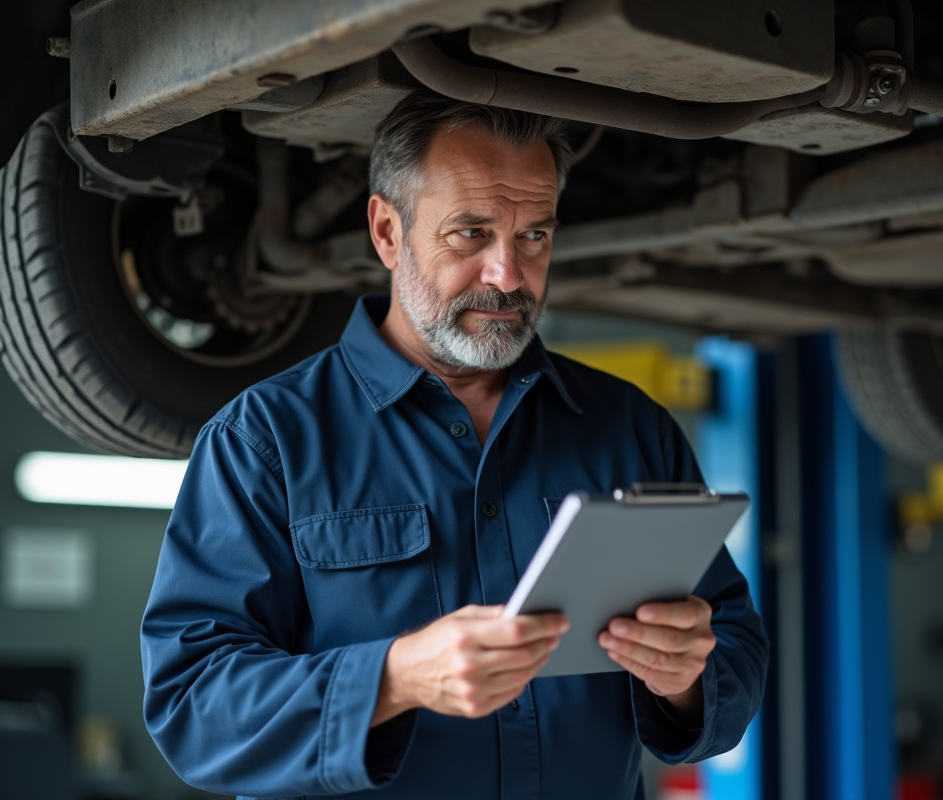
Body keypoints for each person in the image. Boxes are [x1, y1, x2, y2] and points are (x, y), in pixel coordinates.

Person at [140, 90, 768, 800]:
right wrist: (394, 679)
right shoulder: (265, 442)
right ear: (387, 231)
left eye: (534, 236)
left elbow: (737, 650)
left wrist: (687, 679)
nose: (508, 275)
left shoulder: (629, 428)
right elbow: (192, 708)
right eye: (471, 234)